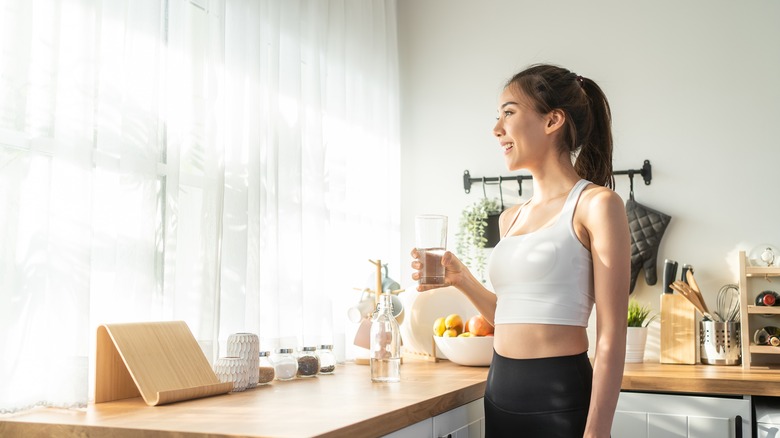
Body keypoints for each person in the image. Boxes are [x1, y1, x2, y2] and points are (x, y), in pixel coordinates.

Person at [411, 64, 629, 438]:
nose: (497, 129)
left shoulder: (596, 205)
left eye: (509, 113)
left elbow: (612, 334)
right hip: (500, 393)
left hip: (560, 396)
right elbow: (511, 316)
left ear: (552, 120)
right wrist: (461, 279)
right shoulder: (510, 218)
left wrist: (598, 431)